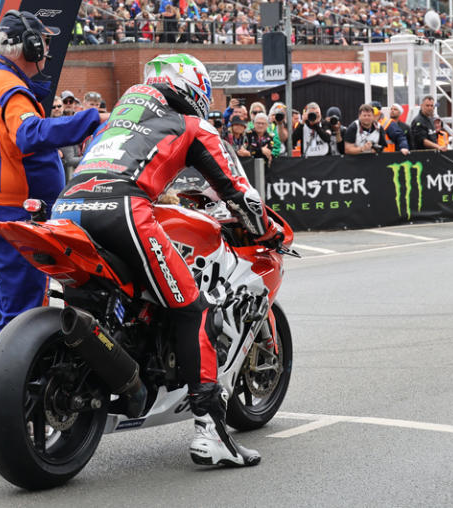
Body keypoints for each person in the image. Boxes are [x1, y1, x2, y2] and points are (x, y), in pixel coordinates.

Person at [53, 53, 282, 468]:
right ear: (193, 89)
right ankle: (210, 433)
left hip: (65, 207)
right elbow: (239, 193)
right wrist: (268, 231)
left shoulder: (119, 115)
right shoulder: (192, 123)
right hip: (122, 210)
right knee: (193, 309)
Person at [0, 10, 104, 342]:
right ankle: (9, 392)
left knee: (16, 307)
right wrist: (92, 120)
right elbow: (29, 134)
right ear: (30, 47)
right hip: (10, 214)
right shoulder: (9, 89)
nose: (47, 49)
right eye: (43, 41)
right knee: (22, 317)